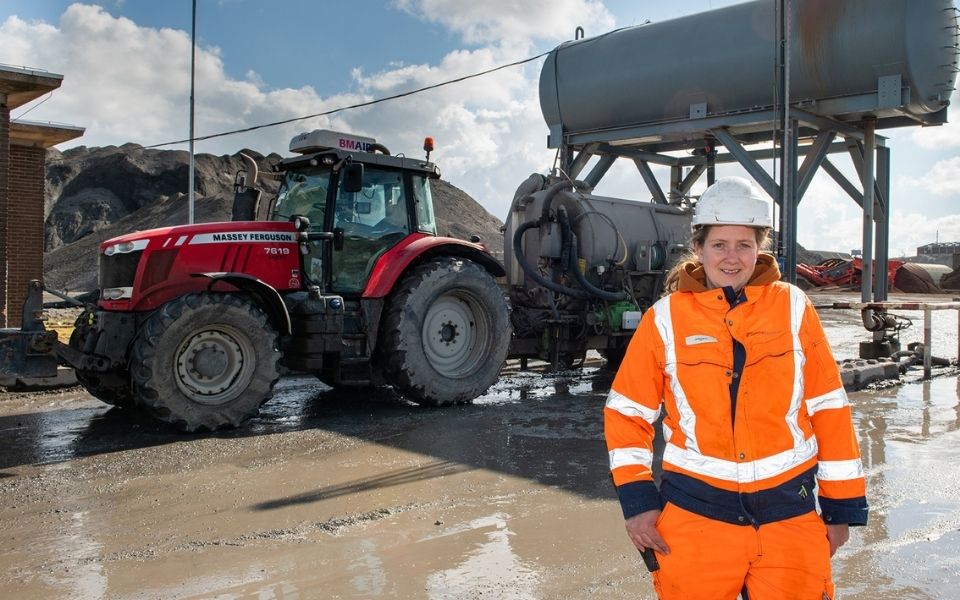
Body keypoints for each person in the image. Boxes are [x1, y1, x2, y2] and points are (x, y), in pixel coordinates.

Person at [604, 176, 868, 599]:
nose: (732, 257)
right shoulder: (665, 318)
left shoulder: (793, 307)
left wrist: (841, 509)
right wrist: (638, 502)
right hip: (695, 515)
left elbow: (829, 408)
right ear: (699, 248)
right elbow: (627, 413)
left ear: (760, 247)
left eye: (744, 244)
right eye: (719, 244)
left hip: (790, 512)